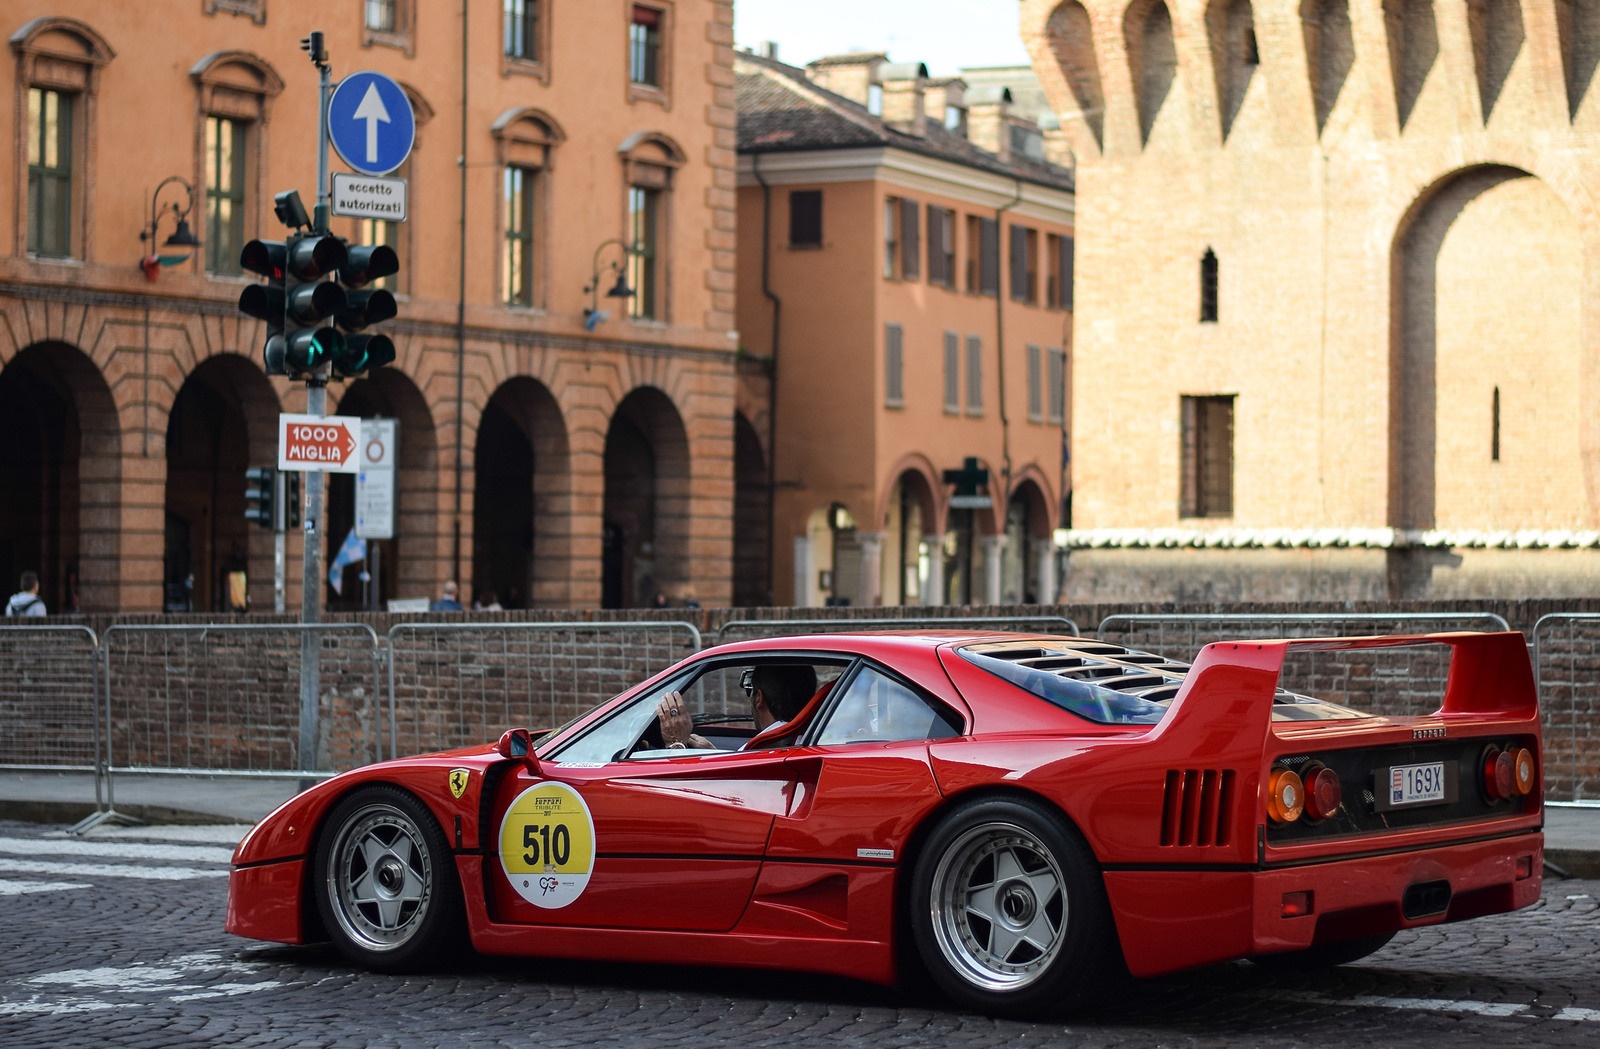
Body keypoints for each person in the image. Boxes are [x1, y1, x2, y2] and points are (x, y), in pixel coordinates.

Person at [656, 664, 818, 750]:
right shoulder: (811, 738)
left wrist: (676, 744)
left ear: (759, 698)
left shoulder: (764, 748)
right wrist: (714, 753)